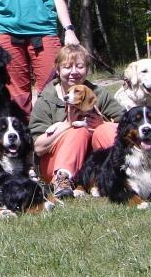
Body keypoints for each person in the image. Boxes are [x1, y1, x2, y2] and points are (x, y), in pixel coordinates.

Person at [29, 44, 124, 197]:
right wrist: (67, 124)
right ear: (58, 70)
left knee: (105, 129)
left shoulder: (99, 93)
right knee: (78, 131)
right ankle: (62, 180)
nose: (74, 72)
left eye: (79, 66)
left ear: (87, 69)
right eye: (67, 67)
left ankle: (129, 172)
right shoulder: (46, 99)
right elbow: (38, 147)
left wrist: (102, 123)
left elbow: (128, 126)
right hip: (55, 163)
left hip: (94, 163)